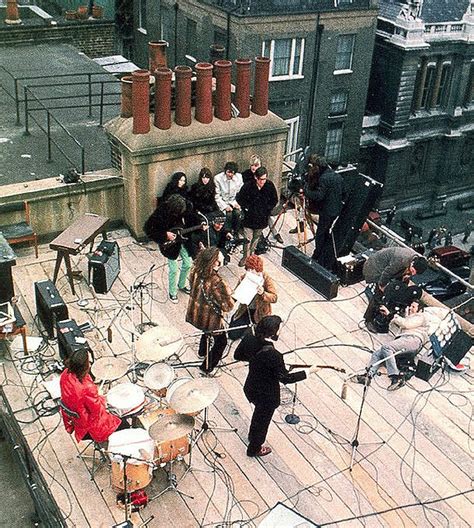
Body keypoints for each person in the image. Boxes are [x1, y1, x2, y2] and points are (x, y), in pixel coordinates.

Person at [234, 315, 319, 457]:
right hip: (266, 396)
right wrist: (308, 371)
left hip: (251, 387)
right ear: (273, 333)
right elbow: (286, 378)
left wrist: (257, 363)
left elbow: (238, 355)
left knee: (257, 417)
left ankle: (252, 436)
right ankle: (254, 448)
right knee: (261, 422)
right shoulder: (274, 355)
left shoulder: (249, 338)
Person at [354, 301, 448, 390]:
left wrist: (391, 314)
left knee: (386, 347)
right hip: (405, 340)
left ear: (420, 310)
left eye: (413, 307)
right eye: (410, 306)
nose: (410, 308)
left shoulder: (421, 316)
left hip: (412, 339)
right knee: (377, 354)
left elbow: (406, 324)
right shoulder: (412, 316)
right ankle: (368, 376)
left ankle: (395, 376)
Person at [144, 194, 203, 303]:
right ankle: (172, 292)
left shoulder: (187, 207)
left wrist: (201, 227)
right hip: (169, 245)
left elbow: (194, 222)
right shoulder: (160, 212)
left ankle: (181, 284)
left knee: (188, 264)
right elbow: (148, 229)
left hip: (183, 240)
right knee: (174, 270)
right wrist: (165, 234)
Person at [186, 247, 234, 374]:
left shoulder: (195, 270)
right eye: (220, 259)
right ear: (215, 263)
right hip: (211, 318)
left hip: (197, 312)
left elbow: (192, 286)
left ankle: (202, 352)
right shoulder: (217, 282)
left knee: (205, 332)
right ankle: (207, 367)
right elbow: (228, 306)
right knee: (221, 342)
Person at [60, 349, 123, 443]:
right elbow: (97, 411)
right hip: (88, 426)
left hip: (77, 421)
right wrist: (100, 397)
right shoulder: (87, 388)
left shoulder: (65, 374)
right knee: (123, 423)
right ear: (85, 366)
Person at [304, 156, 344, 270]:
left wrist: (306, 191)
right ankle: (323, 253)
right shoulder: (338, 177)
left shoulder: (324, 178)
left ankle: (317, 254)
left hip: (327, 211)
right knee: (326, 230)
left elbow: (319, 196)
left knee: (321, 233)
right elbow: (344, 193)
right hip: (336, 211)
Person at [236, 166, 278, 266]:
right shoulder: (248, 186)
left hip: (261, 218)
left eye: (265, 179)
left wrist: (267, 209)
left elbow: (274, 200)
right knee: (247, 239)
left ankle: (252, 256)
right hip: (249, 218)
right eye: (261, 179)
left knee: (256, 238)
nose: (263, 182)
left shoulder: (269, 185)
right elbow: (240, 198)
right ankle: (245, 258)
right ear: (256, 178)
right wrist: (246, 208)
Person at [229, 254, 277, 340]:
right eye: (248, 269)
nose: (249, 272)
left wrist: (263, 293)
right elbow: (235, 295)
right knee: (232, 334)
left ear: (257, 269)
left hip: (260, 312)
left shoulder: (266, 279)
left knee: (257, 337)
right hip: (246, 309)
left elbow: (274, 297)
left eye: (252, 269)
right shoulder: (244, 277)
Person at [363, 247, 428, 292]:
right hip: (374, 268)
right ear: (412, 263)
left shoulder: (414, 257)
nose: (413, 274)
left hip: (384, 266)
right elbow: (387, 273)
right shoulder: (402, 259)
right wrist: (382, 287)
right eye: (413, 271)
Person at [214, 161, 244, 234]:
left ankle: (236, 232)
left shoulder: (239, 177)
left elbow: (240, 193)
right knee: (228, 214)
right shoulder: (218, 178)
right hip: (223, 202)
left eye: (232, 173)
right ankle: (227, 233)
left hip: (234, 201)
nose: (230, 175)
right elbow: (217, 196)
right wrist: (225, 206)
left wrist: (235, 203)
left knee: (237, 213)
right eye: (228, 172)